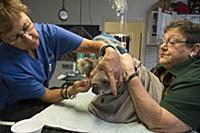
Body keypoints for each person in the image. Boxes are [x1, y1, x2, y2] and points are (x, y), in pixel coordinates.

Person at [0, 0, 122, 110]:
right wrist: (71, 90)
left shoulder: (49, 34)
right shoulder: (7, 65)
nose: (29, 39)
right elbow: (46, 95)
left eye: (26, 26)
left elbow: (92, 45)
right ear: (4, 40)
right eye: (15, 38)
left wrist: (110, 51)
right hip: (10, 109)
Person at [119, 18, 200, 132]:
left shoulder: (195, 79)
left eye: (172, 42)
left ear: (194, 49)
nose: (162, 46)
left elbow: (159, 123)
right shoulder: (162, 69)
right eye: (163, 41)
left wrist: (130, 75)